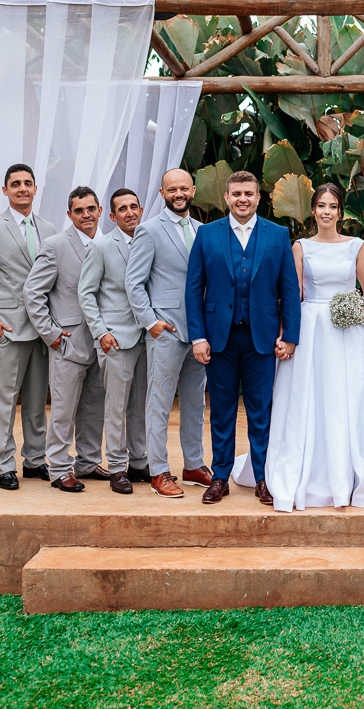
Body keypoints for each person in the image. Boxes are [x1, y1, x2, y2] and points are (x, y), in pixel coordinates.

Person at [231, 183, 364, 510]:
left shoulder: (356, 246)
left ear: (341, 211)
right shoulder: (301, 246)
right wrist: (283, 334)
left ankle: (346, 472)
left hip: (347, 330)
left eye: (333, 206)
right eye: (321, 205)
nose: (327, 212)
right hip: (311, 327)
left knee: (348, 398)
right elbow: (293, 294)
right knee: (307, 397)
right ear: (314, 210)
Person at [186, 171, 301, 505]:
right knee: (221, 410)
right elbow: (194, 289)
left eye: (249, 194)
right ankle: (220, 476)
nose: (242, 199)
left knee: (260, 410)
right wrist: (197, 337)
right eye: (236, 194)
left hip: (261, 338)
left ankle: (263, 477)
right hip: (218, 338)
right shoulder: (207, 234)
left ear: (258, 197)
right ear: (226, 197)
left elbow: (289, 290)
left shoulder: (277, 234)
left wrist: (290, 335)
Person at [0, 163, 56, 491]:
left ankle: (35, 460)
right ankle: (3, 463)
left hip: (43, 330)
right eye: (15, 184)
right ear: (5, 190)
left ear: (35, 189)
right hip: (7, 329)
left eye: (27, 183)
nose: (22, 188)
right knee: (3, 400)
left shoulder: (49, 229)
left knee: (37, 401)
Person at [125, 168, 211, 498]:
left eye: (184, 188)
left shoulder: (203, 231)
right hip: (166, 331)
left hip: (198, 332)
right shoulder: (149, 231)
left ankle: (193, 464)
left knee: (194, 403)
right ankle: (159, 471)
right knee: (158, 404)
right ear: (162, 193)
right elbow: (133, 282)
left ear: (193, 191)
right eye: (171, 189)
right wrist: (152, 322)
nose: (178, 193)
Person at [24, 187, 110, 493]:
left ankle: (88, 461)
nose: (86, 215)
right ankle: (59, 468)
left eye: (90, 209)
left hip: (105, 341)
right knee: (63, 409)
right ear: (70, 214)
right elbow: (33, 293)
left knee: (94, 405)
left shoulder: (109, 243)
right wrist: (50, 333)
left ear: (100, 210)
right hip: (68, 340)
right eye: (79, 210)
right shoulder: (55, 245)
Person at [79, 188, 151, 495]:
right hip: (115, 339)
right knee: (116, 405)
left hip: (147, 336)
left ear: (142, 209)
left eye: (134, 206)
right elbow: (86, 293)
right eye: (122, 209)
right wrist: (101, 332)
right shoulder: (102, 246)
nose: (130, 212)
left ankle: (139, 461)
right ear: (112, 216)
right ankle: (118, 467)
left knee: (140, 404)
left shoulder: (151, 242)